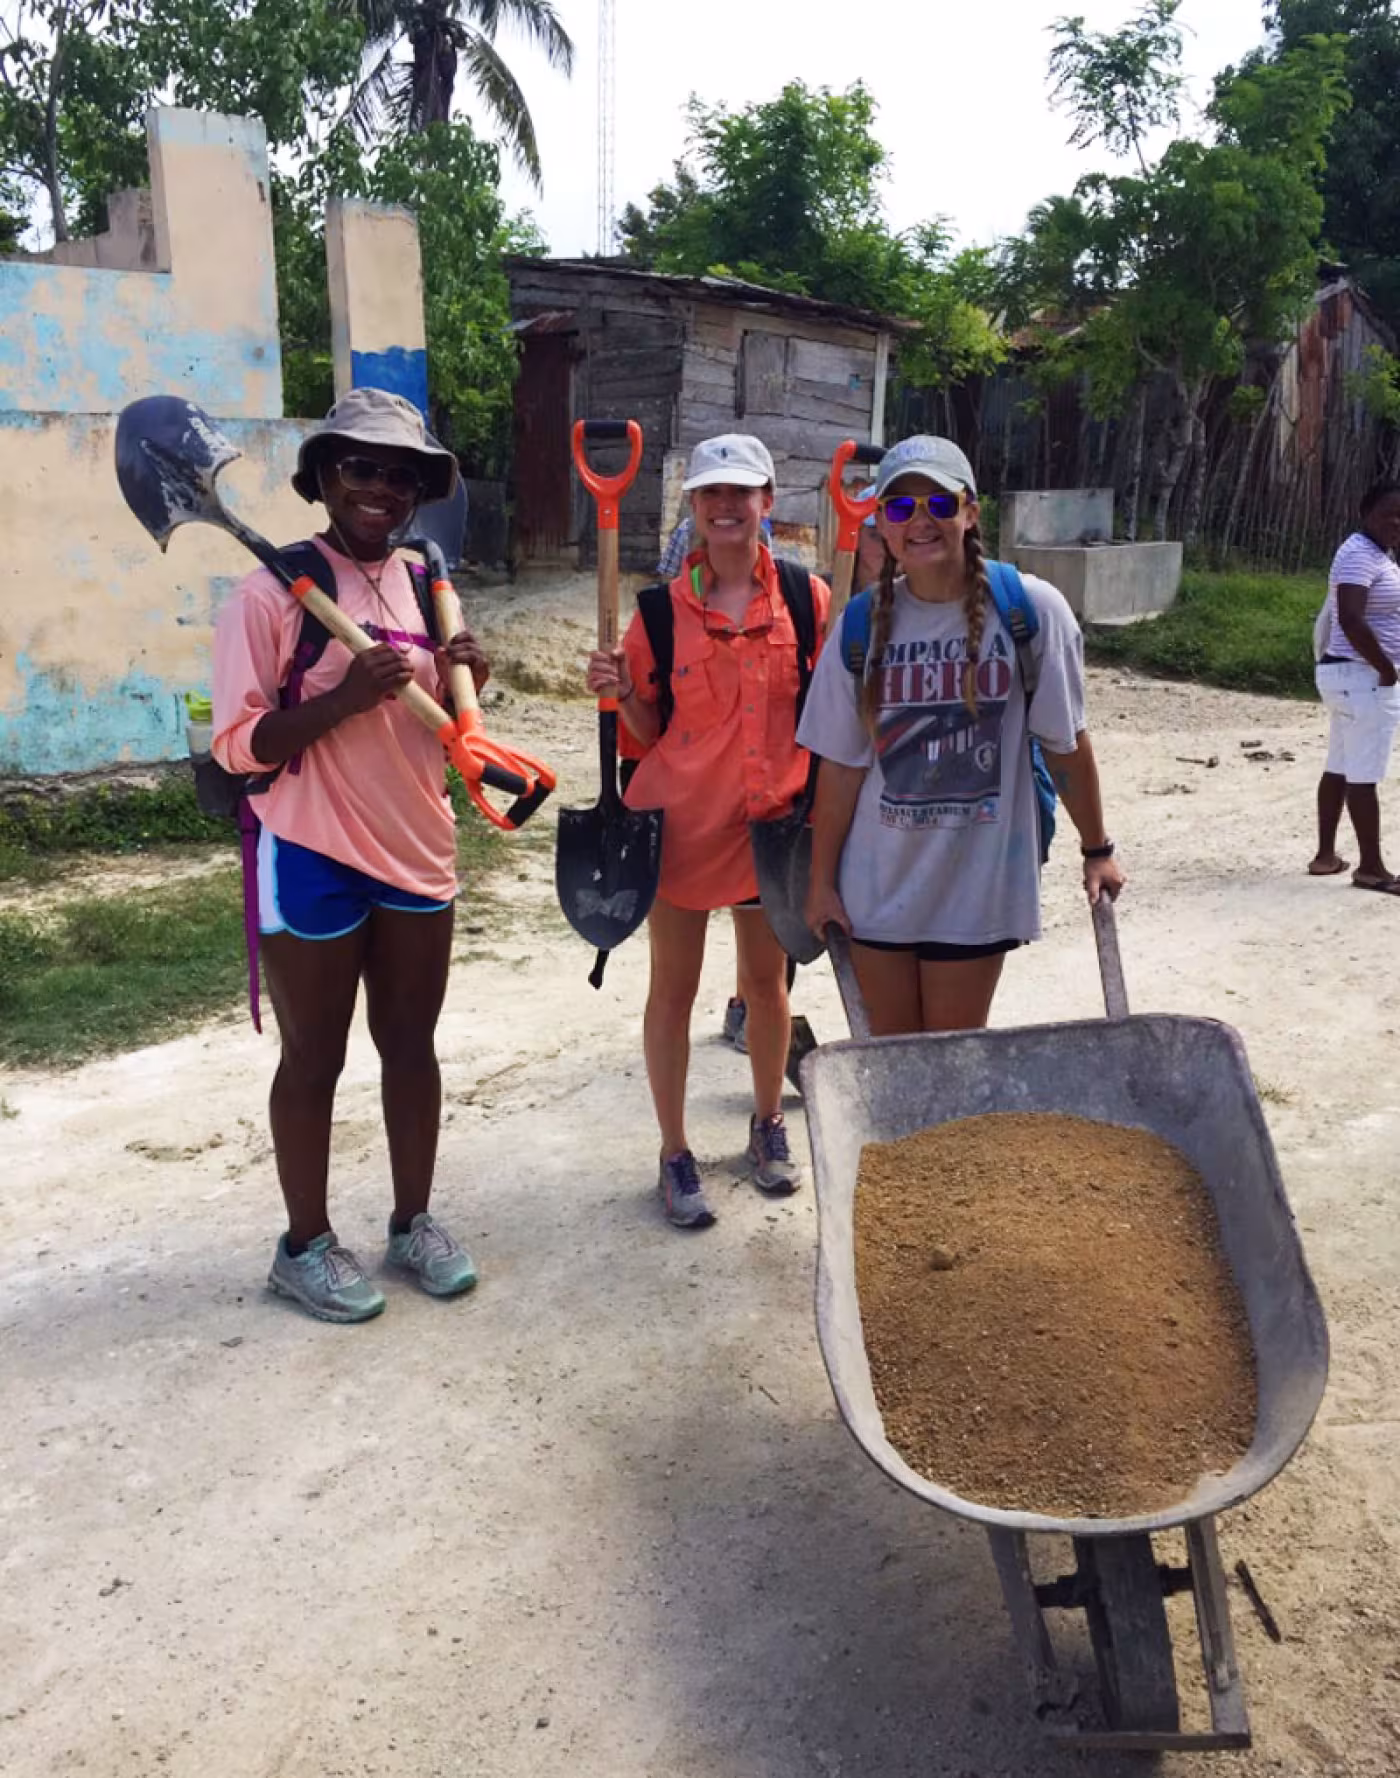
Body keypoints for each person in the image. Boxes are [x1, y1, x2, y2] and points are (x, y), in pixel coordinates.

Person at [212, 388, 487, 1322]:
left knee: (411, 1045)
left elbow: (449, 733)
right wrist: (340, 697)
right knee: (315, 1056)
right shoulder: (271, 592)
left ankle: (412, 1224)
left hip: (418, 847)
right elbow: (239, 745)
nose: (381, 488)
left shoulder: (425, 582)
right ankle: (306, 1246)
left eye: (400, 474)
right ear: (325, 476)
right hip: (313, 850)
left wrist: (463, 686)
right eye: (361, 467)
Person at [799, 434, 1124, 1037]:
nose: (920, 522)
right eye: (900, 509)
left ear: (971, 512)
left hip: (974, 889)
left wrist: (1097, 850)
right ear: (881, 525)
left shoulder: (1030, 611)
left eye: (939, 505)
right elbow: (841, 767)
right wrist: (820, 883)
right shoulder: (860, 626)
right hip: (876, 884)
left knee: (948, 1067)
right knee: (895, 1071)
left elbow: (1065, 746)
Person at [587, 434, 831, 1229]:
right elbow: (647, 731)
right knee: (675, 990)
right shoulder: (658, 616)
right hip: (684, 830)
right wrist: (621, 692)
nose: (726, 507)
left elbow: (831, 716)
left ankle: (766, 1125)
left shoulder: (808, 599)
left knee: (767, 988)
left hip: (772, 829)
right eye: (710, 494)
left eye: (742, 493)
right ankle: (673, 1152)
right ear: (692, 508)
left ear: (768, 502)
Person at [1309, 481, 1400, 891]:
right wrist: (1387, 669)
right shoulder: (1359, 555)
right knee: (1363, 775)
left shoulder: (1375, 553)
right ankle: (1371, 869)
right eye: (1388, 513)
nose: (1396, 522)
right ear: (1367, 512)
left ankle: (1326, 856)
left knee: (1341, 766)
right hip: (1362, 676)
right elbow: (1350, 617)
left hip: (1348, 676)